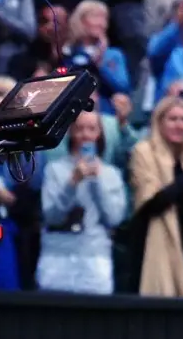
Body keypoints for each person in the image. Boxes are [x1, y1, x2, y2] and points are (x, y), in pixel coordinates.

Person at [129, 94, 183, 297]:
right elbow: (151, 204)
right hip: (152, 245)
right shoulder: (144, 152)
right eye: (173, 119)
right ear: (159, 122)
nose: (179, 126)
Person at [37, 110, 127, 294]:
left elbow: (114, 218)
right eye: (79, 128)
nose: (85, 134)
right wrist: (72, 183)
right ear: (71, 132)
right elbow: (52, 216)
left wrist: (97, 181)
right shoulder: (55, 170)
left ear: (99, 133)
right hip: (57, 258)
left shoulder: (111, 174)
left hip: (95, 258)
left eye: (91, 129)